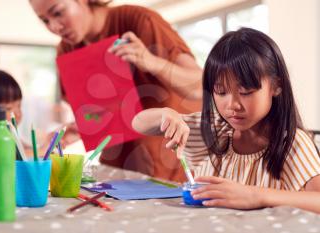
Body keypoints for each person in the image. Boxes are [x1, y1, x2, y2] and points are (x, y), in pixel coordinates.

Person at [132, 28, 320, 213]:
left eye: (245, 92)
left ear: (276, 87)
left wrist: (257, 196)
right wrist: (166, 114)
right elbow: (138, 123)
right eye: (220, 92)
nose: (232, 105)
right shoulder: (212, 130)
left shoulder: (291, 143)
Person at [29, 0, 203, 181]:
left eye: (57, 13)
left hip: (175, 168)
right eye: (44, 21)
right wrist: (82, 127)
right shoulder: (66, 50)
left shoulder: (139, 21)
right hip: (118, 173)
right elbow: (108, 113)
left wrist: (150, 60)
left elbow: (200, 86)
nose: (55, 27)